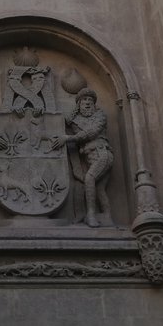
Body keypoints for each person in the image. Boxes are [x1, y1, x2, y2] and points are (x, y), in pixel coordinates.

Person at [64, 88, 113, 227]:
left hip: (103, 154)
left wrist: (70, 138)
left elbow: (92, 132)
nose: (87, 103)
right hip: (90, 159)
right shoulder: (76, 121)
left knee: (89, 178)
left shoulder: (100, 115)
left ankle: (90, 215)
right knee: (99, 189)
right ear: (79, 103)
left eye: (90, 100)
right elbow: (66, 122)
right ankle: (107, 216)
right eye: (84, 100)